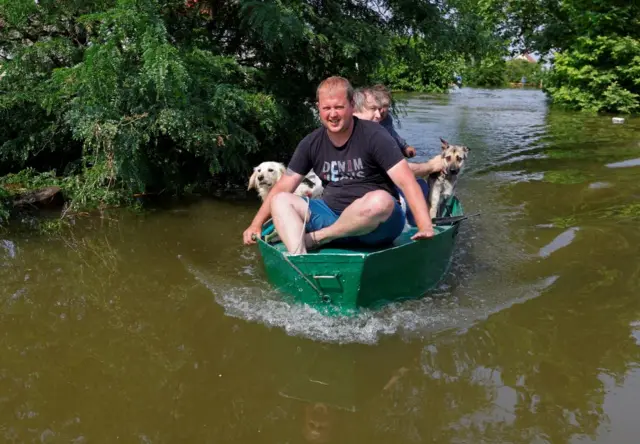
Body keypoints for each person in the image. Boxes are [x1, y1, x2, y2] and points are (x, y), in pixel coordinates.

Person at [242, 76, 435, 254]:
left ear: (352, 105)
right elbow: (283, 186)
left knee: (380, 201)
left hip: (377, 227)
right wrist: (255, 224)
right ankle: (301, 263)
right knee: (280, 200)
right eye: (327, 108)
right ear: (318, 108)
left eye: (339, 107)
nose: (333, 114)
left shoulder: (375, 135)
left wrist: (425, 225)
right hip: (331, 215)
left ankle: (317, 239)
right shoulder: (311, 143)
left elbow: (407, 182)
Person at [371, 84, 416, 158]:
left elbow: (392, 133)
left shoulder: (387, 119)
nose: (382, 110)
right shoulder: (365, 120)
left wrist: (405, 147)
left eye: (385, 106)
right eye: (379, 105)